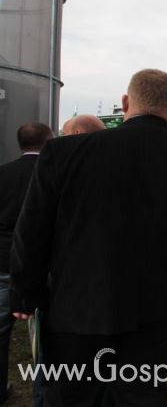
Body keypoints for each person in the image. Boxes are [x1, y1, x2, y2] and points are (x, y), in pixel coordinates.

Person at [10, 69, 167, 406]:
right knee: (141, 392)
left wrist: (27, 292)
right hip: (159, 307)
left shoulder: (63, 153)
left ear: (126, 102)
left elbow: (32, 231)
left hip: (77, 305)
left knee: (74, 393)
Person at [0, 122, 53, 404]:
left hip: (3, 261)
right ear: (49, 141)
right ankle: (42, 396)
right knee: (45, 339)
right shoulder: (51, 174)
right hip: (43, 266)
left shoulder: (3, 173)